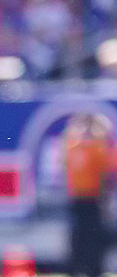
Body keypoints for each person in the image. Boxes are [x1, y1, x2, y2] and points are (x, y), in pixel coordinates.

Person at [64, 113, 115, 277]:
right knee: (79, 238)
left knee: (92, 238)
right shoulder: (75, 147)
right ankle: (78, 268)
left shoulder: (97, 149)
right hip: (79, 199)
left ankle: (92, 269)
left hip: (93, 198)